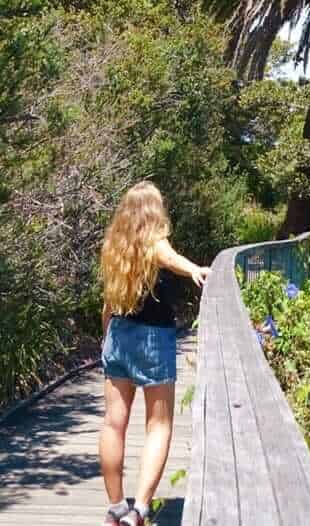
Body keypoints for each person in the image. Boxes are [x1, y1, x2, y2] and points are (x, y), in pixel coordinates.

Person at [98, 181, 211, 526]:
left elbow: (107, 303)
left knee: (113, 424)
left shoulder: (115, 246)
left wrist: (108, 339)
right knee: (158, 426)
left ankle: (116, 507)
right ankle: (140, 511)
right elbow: (169, 257)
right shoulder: (154, 242)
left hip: (118, 334)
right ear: (154, 211)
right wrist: (194, 269)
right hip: (152, 340)